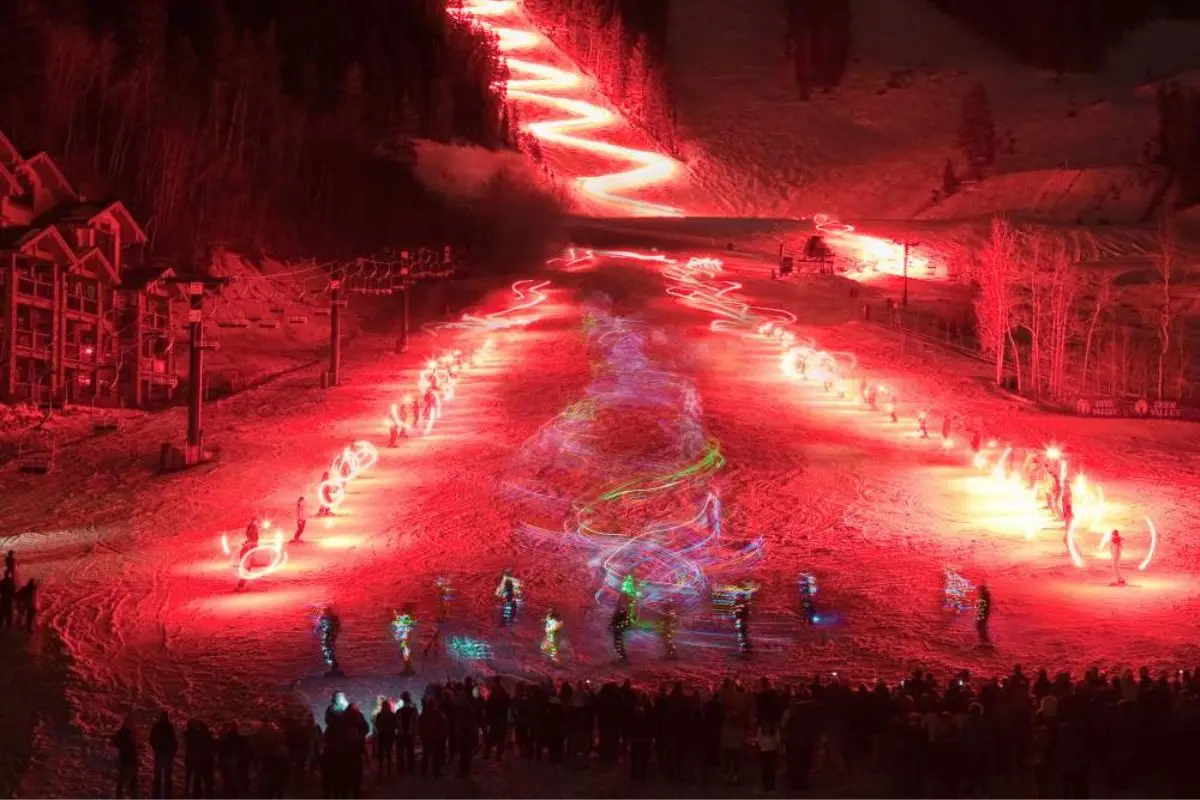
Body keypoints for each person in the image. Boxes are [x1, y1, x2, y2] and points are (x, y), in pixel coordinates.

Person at [149, 710, 177, 799]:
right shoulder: (169, 728)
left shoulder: (157, 727)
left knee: (159, 775)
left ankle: (157, 795)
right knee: (167, 776)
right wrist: (172, 752)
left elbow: (151, 739)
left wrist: (155, 747)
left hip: (160, 753)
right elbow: (173, 742)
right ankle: (167, 795)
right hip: (166, 754)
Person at [113, 715, 140, 798]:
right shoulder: (128, 734)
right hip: (127, 759)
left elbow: (116, 743)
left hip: (126, 759)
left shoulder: (124, 733)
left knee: (125, 780)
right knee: (128, 780)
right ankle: (129, 796)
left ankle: (122, 796)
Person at [318, 606, 343, 676]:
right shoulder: (325, 618)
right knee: (328, 651)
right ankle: (332, 667)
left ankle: (333, 667)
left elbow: (336, 628)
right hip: (328, 637)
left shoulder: (332, 618)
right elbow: (320, 626)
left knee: (329, 651)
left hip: (330, 637)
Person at [391, 610, 417, 674]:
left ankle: (408, 669)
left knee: (405, 656)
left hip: (406, 643)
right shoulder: (408, 623)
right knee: (406, 656)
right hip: (407, 642)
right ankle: (409, 669)